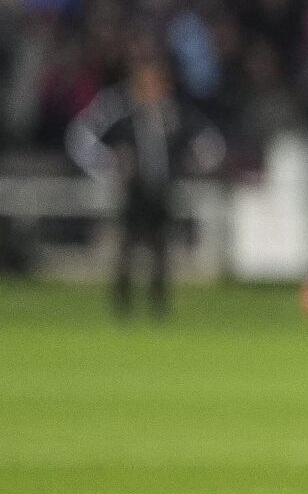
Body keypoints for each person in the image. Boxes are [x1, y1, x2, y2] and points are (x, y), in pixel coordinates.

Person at [68, 52, 225, 318]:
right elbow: (80, 136)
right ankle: (123, 303)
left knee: (161, 249)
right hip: (133, 190)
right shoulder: (121, 110)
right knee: (127, 248)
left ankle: (158, 305)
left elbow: (211, 144)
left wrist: (192, 165)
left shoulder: (173, 114)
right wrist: (107, 164)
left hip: (163, 189)